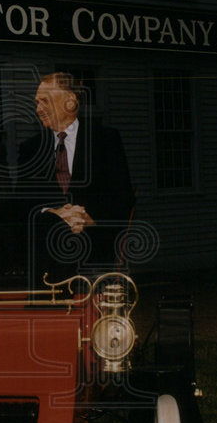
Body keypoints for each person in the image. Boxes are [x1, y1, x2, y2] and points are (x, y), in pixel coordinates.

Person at [16, 72, 135, 287]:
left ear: (70, 101)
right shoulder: (29, 149)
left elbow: (123, 198)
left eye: (44, 101)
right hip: (45, 266)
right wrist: (53, 213)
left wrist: (89, 218)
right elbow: (20, 205)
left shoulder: (106, 140)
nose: (38, 109)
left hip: (95, 258)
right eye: (36, 102)